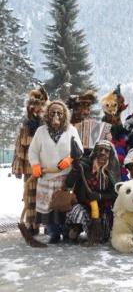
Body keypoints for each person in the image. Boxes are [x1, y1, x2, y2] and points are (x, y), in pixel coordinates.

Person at [28, 100, 83, 243]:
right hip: (46, 176)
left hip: (65, 177)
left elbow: (80, 150)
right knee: (48, 208)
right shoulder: (41, 131)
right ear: (47, 114)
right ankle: (53, 233)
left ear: (64, 114)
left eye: (59, 112)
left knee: (63, 205)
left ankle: (66, 232)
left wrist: (70, 159)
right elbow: (33, 151)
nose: (56, 115)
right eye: (53, 112)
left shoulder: (71, 130)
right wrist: (35, 165)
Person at [65, 140, 120, 244]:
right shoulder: (85, 166)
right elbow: (68, 183)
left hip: (101, 210)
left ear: (110, 154)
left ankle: (94, 233)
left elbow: (114, 194)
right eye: (100, 150)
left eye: (106, 151)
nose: (103, 153)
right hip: (84, 205)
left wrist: (99, 196)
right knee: (77, 211)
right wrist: (76, 169)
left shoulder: (110, 173)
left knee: (102, 238)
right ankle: (76, 228)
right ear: (95, 152)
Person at [12, 87, 48, 235]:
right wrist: (18, 166)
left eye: (40, 107)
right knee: (30, 196)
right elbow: (19, 148)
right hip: (29, 167)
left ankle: (46, 224)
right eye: (35, 107)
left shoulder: (47, 126)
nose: (38, 110)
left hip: (45, 167)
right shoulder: (25, 126)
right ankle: (31, 224)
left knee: (44, 196)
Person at [68, 90, 110, 156]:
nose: (86, 112)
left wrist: (105, 138)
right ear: (75, 109)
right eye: (83, 107)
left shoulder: (92, 124)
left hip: (87, 157)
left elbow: (97, 148)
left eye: (88, 108)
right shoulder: (67, 124)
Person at [100, 85, 129, 181]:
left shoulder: (117, 120)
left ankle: (122, 181)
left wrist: (121, 140)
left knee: (120, 157)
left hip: (118, 144)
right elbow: (101, 135)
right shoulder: (104, 120)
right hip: (107, 146)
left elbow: (121, 133)